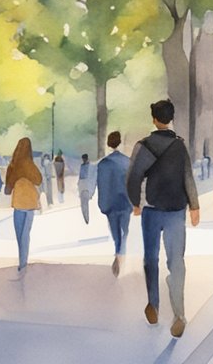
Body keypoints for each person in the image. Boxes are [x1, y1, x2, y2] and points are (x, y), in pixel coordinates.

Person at [127, 99, 201, 338]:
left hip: (151, 209)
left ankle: (154, 305)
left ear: (154, 119)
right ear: (171, 118)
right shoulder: (179, 146)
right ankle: (179, 313)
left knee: (150, 258)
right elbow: (187, 175)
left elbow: (133, 177)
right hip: (176, 209)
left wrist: (135, 203)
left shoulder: (144, 145)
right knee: (176, 261)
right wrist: (194, 206)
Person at [94, 131, 133, 276]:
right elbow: (132, 183)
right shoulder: (127, 162)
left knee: (115, 232)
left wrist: (103, 205)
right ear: (120, 142)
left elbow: (102, 185)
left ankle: (118, 253)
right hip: (125, 203)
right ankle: (121, 255)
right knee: (125, 231)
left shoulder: (103, 164)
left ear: (108, 144)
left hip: (110, 204)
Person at [4, 137, 43, 277]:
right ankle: (23, 262)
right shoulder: (30, 164)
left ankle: (22, 263)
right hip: (31, 202)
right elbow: (39, 180)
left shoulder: (13, 165)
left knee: (19, 234)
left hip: (19, 202)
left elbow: (7, 188)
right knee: (26, 233)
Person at [77, 153, 95, 224]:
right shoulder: (82, 166)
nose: (83, 160)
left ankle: (87, 218)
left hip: (86, 184)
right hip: (82, 184)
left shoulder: (90, 166)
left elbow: (92, 177)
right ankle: (86, 218)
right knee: (83, 203)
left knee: (85, 203)